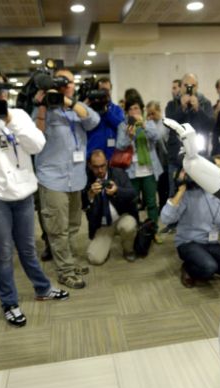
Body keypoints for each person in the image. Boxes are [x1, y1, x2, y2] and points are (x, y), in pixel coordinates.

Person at [0, 69, 70, 327]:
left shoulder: (17, 115)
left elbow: (37, 145)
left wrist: (9, 119)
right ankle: (9, 302)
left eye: (1, 92)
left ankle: (42, 288)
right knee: (3, 252)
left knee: (28, 248)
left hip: (22, 193)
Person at [32, 68, 101, 289]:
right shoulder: (44, 107)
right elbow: (35, 135)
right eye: (63, 82)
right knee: (57, 228)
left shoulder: (76, 107)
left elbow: (94, 120)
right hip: (53, 178)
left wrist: (68, 103)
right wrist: (42, 105)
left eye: (70, 82)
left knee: (73, 225)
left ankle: (70, 262)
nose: (67, 85)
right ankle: (65, 271)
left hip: (76, 177)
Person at [159, 157, 220, 288]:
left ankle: (213, 265)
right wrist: (180, 191)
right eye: (212, 168)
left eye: (219, 169)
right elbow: (166, 219)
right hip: (188, 242)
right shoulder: (192, 191)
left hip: (211, 243)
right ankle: (188, 268)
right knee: (209, 267)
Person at [116, 96, 165, 235]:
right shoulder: (123, 126)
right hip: (131, 170)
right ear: (127, 112)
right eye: (130, 109)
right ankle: (135, 231)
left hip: (149, 170)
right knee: (133, 203)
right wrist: (129, 137)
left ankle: (153, 231)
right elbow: (119, 145)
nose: (134, 112)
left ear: (141, 110)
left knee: (151, 203)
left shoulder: (148, 123)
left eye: (136, 108)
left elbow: (157, 137)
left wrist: (143, 125)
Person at [82, 149, 139, 264]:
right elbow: (83, 207)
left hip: (121, 217)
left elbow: (133, 193)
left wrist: (117, 191)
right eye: (96, 167)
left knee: (129, 226)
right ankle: (105, 246)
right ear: (90, 166)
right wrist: (90, 196)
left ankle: (128, 249)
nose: (100, 170)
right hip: (102, 225)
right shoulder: (85, 180)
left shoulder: (118, 173)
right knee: (94, 259)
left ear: (107, 162)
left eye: (102, 166)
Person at [85, 76, 125, 161]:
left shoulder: (116, 109)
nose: (106, 93)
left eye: (108, 90)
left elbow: (121, 126)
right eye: (102, 90)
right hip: (93, 155)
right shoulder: (89, 109)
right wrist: (86, 104)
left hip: (113, 155)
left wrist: (107, 112)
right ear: (96, 91)